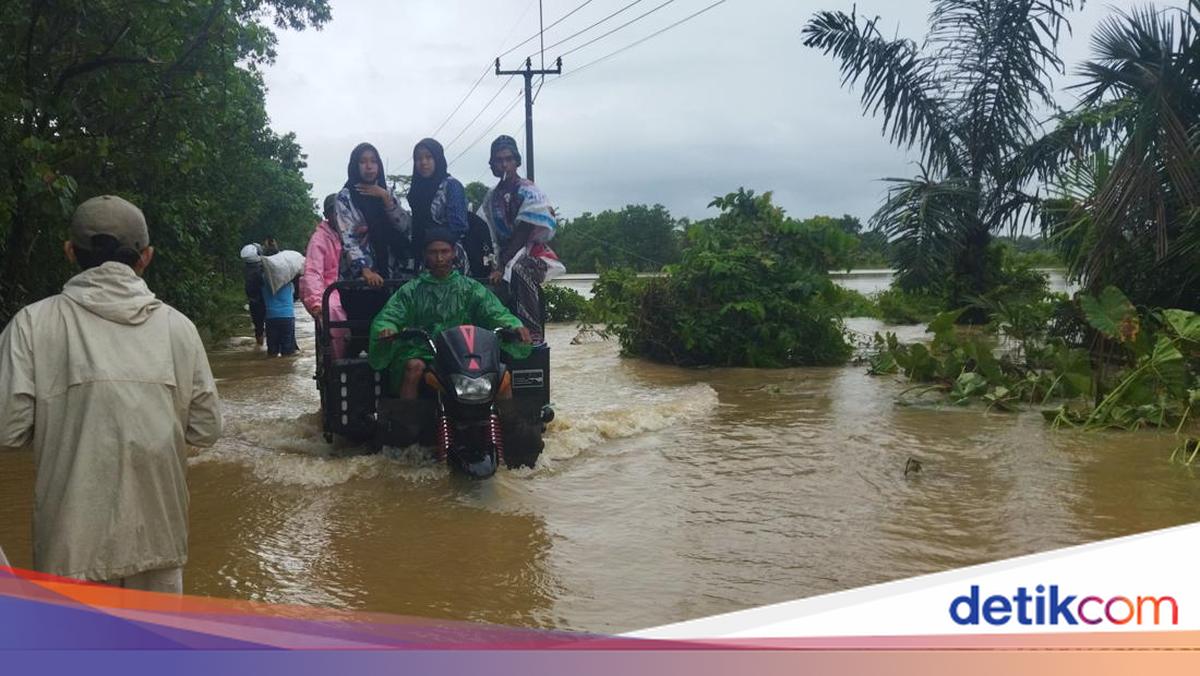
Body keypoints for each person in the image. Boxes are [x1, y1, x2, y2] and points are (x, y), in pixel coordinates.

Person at [0, 195, 222, 593]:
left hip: (69, 547)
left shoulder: (31, 325)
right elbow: (206, 430)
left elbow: (8, 430)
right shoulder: (179, 329)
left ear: (70, 252)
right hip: (159, 541)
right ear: (146, 257)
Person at [369, 227, 530, 401]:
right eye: (433, 252)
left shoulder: (470, 288)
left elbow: (495, 312)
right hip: (424, 350)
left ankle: (506, 418)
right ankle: (407, 417)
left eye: (444, 251)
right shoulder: (411, 291)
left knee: (502, 377)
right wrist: (387, 328)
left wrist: (514, 326)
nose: (439, 258)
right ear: (425, 255)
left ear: (454, 253)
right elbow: (390, 316)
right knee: (413, 367)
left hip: (465, 351)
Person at [477, 135, 565, 343]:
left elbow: (523, 233)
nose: (504, 165)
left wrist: (502, 266)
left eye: (508, 159)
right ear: (492, 165)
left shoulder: (528, 191)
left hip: (531, 254)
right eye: (499, 160)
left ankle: (532, 331)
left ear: (516, 161)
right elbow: (485, 230)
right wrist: (493, 264)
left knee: (520, 270)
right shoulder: (491, 196)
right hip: (501, 255)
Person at [335, 142, 410, 285]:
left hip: (392, 271)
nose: (369, 166)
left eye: (373, 161)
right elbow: (348, 239)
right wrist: (365, 269)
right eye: (363, 161)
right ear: (355, 165)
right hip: (360, 278)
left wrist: (386, 199)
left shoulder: (387, 192)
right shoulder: (345, 197)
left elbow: (404, 227)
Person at [405, 138, 470, 274]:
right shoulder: (416, 189)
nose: (423, 162)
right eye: (418, 158)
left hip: (448, 257)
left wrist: (435, 243)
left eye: (428, 157)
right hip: (422, 256)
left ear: (438, 159)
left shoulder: (451, 186)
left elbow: (459, 226)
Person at [302, 194, 347, 357]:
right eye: (335, 212)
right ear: (327, 215)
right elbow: (313, 272)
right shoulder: (319, 239)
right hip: (330, 289)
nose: (339, 216)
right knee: (332, 311)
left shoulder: (356, 232)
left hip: (355, 285)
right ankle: (338, 359)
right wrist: (316, 302)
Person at [261, 251, 302, 357]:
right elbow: (295, 294)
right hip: (287, 317)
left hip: (271, 317)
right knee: (288, 352)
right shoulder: (288, 282)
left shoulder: (263, 281)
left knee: (272, 352)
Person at [241, 243, 266, 346]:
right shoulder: (261, 269)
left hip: (253, 302)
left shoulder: (247, 269)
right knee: (269, 326)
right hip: (263, 301)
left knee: (258, 328)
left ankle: (259, 346)